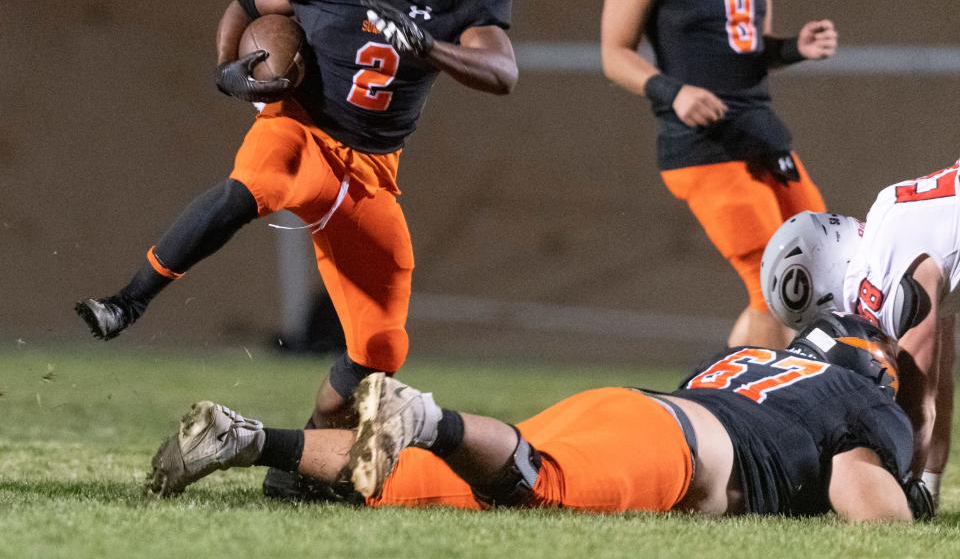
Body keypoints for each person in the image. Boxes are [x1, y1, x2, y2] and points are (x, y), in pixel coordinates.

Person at [74, 0, 517, 500]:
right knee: (257, 184)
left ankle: (300, 461)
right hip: (298, 127)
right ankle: (127, 299)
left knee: (381, 348)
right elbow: (250, 8)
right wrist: (229, 69)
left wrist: (432, 47)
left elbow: (502, 70)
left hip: (370, 168)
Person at [147, 312, 932, 522]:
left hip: (634, 406)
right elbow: (871, 509)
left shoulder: (755, 361)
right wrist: (911, 497)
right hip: (681, 448)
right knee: (534, 483)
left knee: (414, 483)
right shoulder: (865, 398)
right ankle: (428, 417)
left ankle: (249, 440)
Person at [600, 0, 837, 350]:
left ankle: (738, 400)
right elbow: (614, 53)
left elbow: (749, 44)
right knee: (773, 289)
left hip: (759, 130)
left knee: (826, 274)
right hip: (702, 145)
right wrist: (672, 91)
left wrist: (791, 48)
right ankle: (732, 413)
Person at [762, 158, 960, 510]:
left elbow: (919, 399)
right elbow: (939, 377)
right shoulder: (888, 210)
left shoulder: (878, 277)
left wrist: (901, 490)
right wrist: (928, 484)